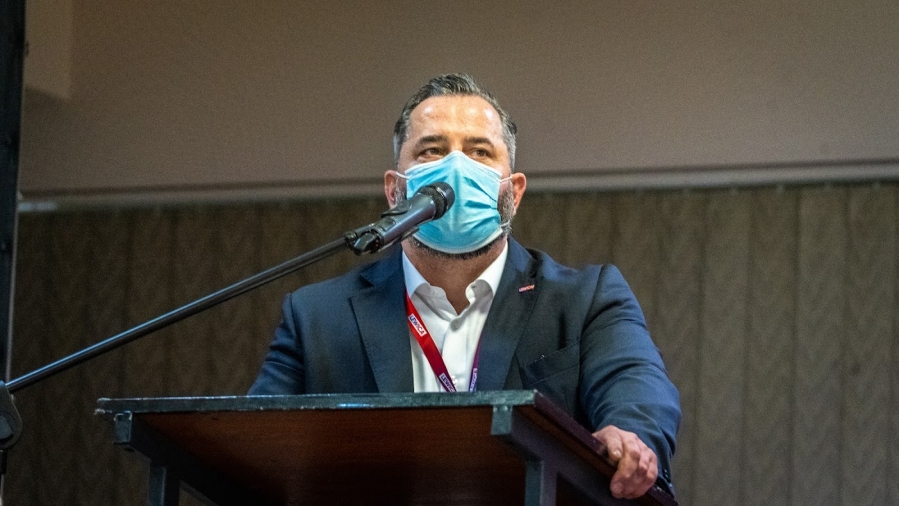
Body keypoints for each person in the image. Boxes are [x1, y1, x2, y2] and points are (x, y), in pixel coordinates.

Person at [250, 73, 681, 499]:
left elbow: (639, 391)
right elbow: (255, 452)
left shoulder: (585, 300)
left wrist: (629, 435)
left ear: (513, 193)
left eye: (479, 152)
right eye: (432, 150)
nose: (456, 168)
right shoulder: (316, 317)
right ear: (394, 192)